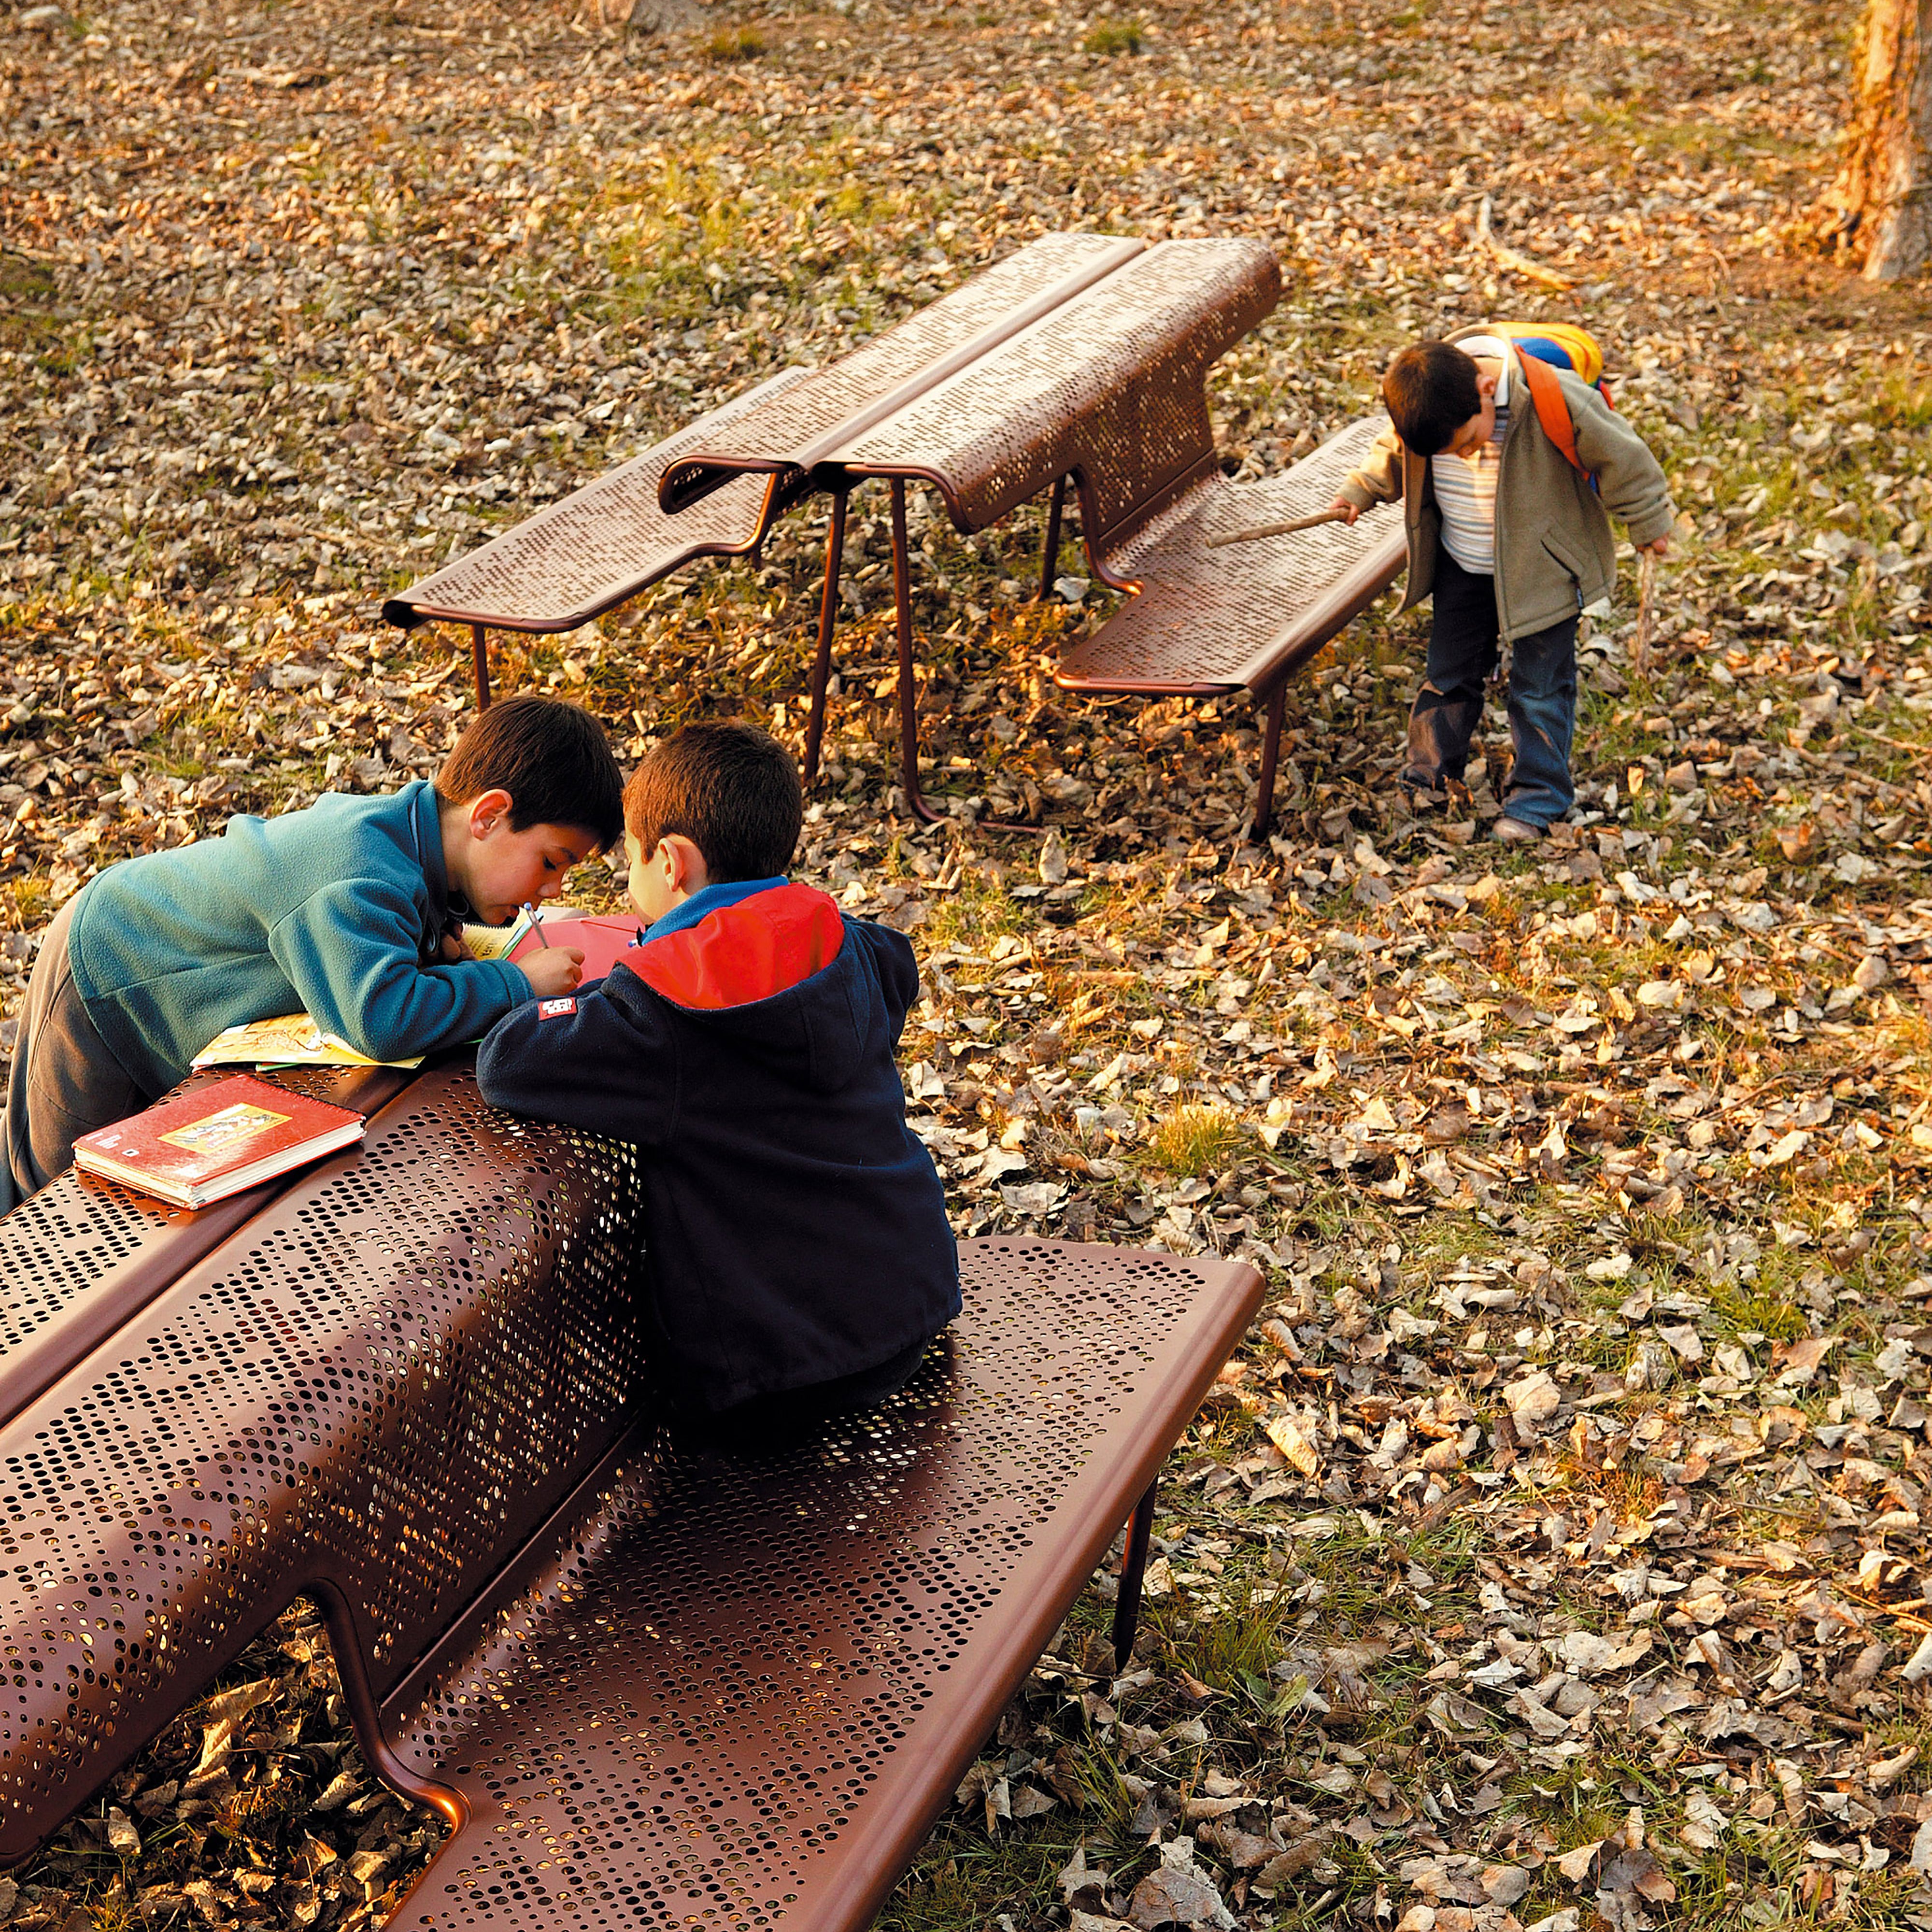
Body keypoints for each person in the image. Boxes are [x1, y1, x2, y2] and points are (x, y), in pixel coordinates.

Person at [476, 718, 960, 1433]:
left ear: (671, 863)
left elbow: (510, 1059)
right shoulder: (852, 944)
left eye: (631, 864)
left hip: (778, 1374)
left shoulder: (663, 1015)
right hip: (906, 1315)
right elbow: (896, 964)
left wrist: (582, 988)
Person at [3, 693, 619, 1208]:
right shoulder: (359, 870)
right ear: (488, 816)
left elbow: (407, 929)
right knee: (64, 1195)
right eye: (550, 861)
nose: (555, 889)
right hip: (108, 976)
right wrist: (518, 985)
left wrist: (442, 935)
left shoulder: (417, 835)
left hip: (160, 975)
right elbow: (382, 1016)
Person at [1328, 330, 1676, 841]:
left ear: (1488, 389)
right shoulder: (1431, 407)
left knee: (1539, 686)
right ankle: (1427, 776)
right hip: (1461, 564)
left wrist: (1648, 521)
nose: (1466, 455)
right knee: (1447, 675)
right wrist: (1362, 488)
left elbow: (1622, 455)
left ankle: (1538, 799)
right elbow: (1393, 450)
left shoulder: (1551, 397)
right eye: (1454, 452)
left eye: (1469, 442)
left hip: (1543, 571)